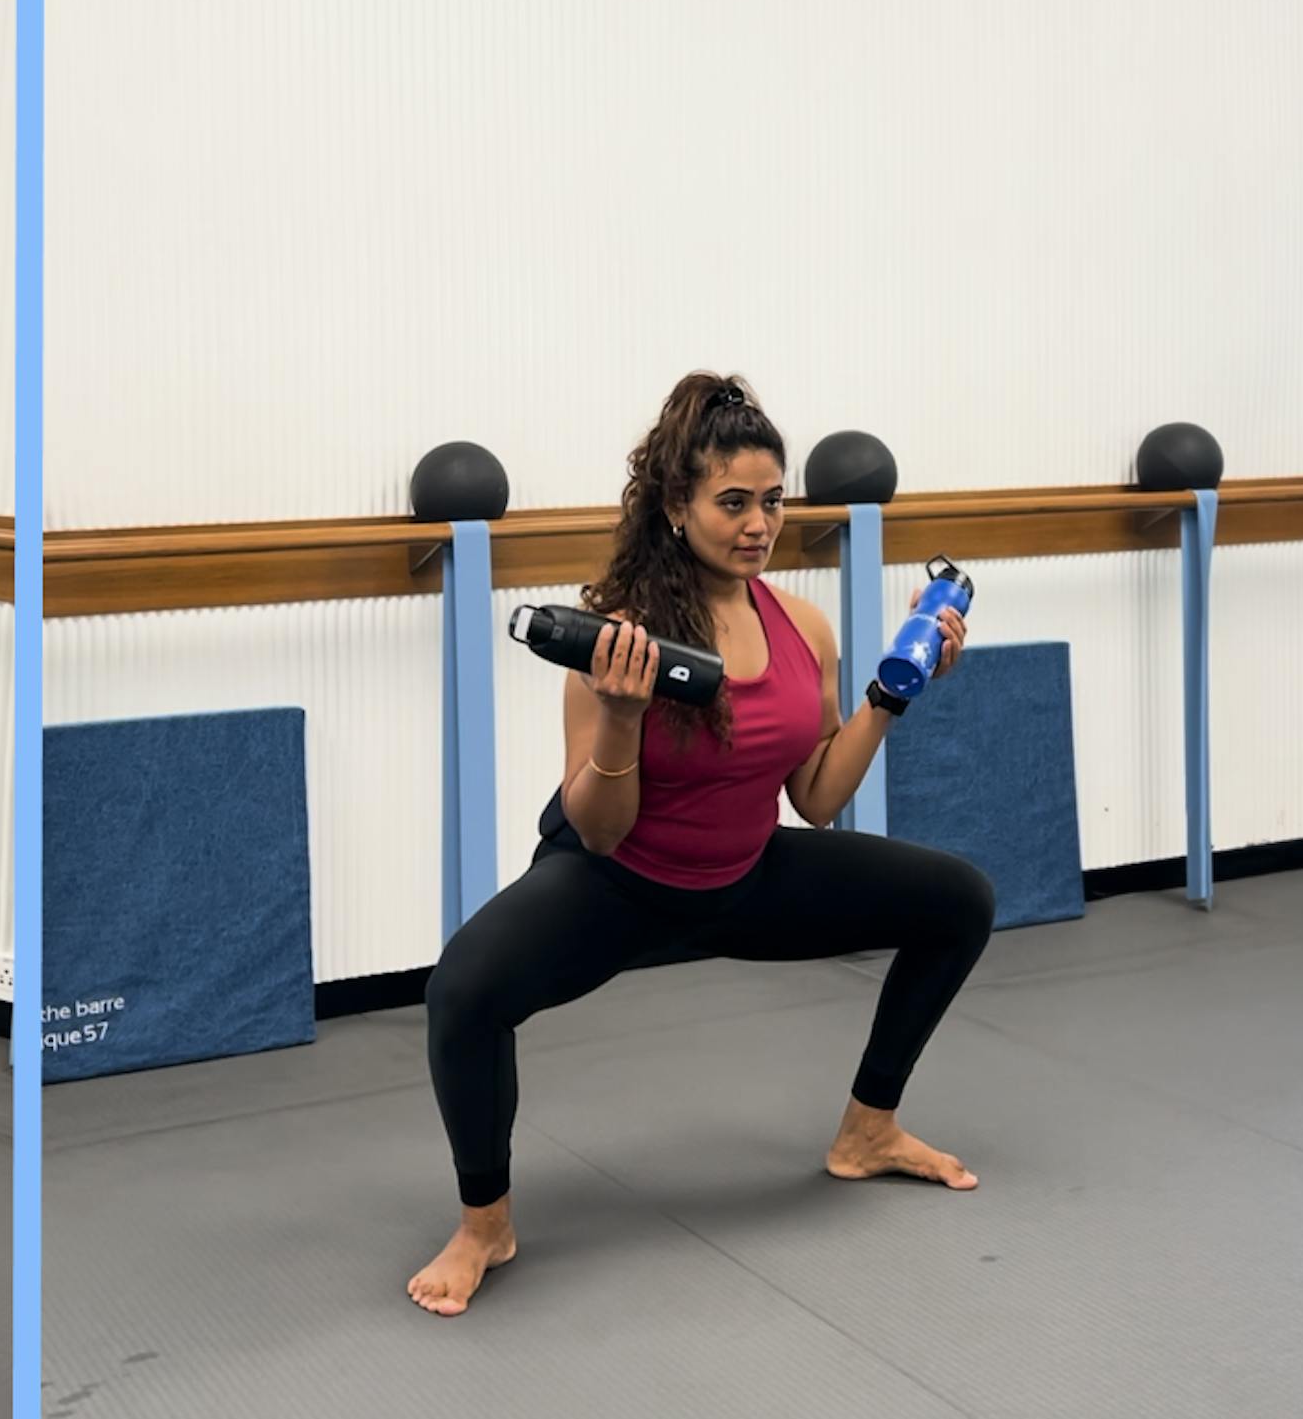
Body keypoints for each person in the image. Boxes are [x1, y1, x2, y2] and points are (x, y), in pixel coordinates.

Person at [407, 372, 998, 1316]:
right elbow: (600, 827)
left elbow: (816, 798)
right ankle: (487, 1223)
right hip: (618, 884)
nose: (759, 523)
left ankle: (868, 1132)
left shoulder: (802, 627)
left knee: (959, 899)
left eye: (771, 501)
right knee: (464, 993)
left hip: (746, 874)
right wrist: (618, 716)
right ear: (677, 507)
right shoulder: (619, 635)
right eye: (733, 502)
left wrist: (891, 699)